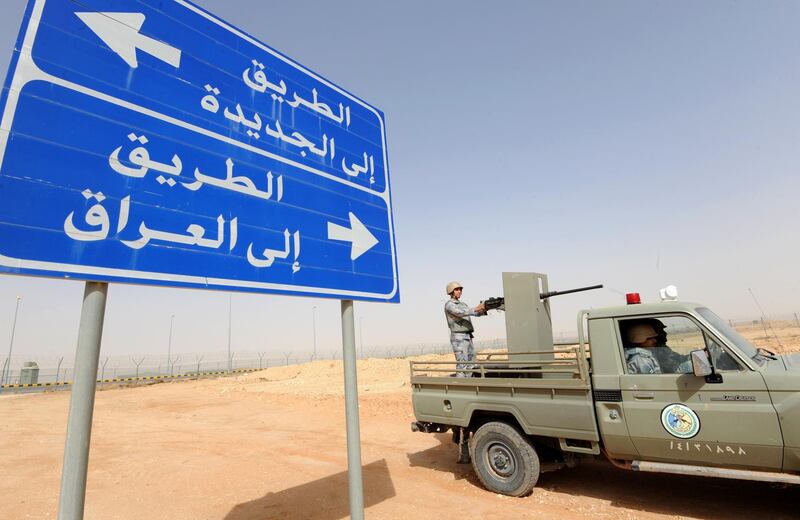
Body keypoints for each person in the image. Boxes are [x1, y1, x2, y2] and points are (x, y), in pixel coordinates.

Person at [444, 281, 486, 377]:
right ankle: (461, 387)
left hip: (467, 335)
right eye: (457, 290)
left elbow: (474, 313)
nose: (459, 291)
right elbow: (460, 313)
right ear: (451, 291)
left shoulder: (463, 304)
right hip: (458, 337)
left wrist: (484, 309)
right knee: (462, 365)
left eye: (460, 290)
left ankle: (471, 385)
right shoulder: (449, 305)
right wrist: (477, 308)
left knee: (471, 363)